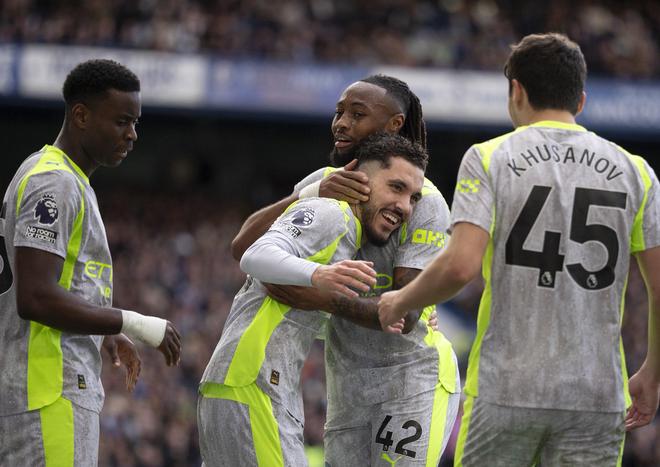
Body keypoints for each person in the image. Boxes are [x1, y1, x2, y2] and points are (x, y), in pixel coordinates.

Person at [378, 33, 660, 466]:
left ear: (516, 91)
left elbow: (460, 267)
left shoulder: (489, 157)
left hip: (506, 388)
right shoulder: (636, 171)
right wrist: (653, 373)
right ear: (580, 100)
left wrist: (399, 301)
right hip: (596, 394)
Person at [232, 75, 460, 466]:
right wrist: (309, 193)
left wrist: (318, 296)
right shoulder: (325, 181)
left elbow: (402, 315)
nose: (341, 123)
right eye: (339, 112)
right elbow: (243, 247)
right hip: (347, 383)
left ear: (394, 125)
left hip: (411, 377)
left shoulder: (423, 202)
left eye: (357, 114)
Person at [198, 133, 428, 466]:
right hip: (254, 384)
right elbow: (254, 254)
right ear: (360, 180)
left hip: (246, 385)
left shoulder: (348, 235)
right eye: (396, 187)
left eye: (413, 197)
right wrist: (318, 275)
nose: (405, 207)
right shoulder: (332, 213)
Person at [0, 59, 182, 466]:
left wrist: (105, 331)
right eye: (121, 121)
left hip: (45, 393)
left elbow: (59, 285)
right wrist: (131, 322)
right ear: (81, 116)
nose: (132, 134)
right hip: (46, 393)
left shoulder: (62, 177)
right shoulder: (54, 183)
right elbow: (34, 296)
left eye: (135, 123)